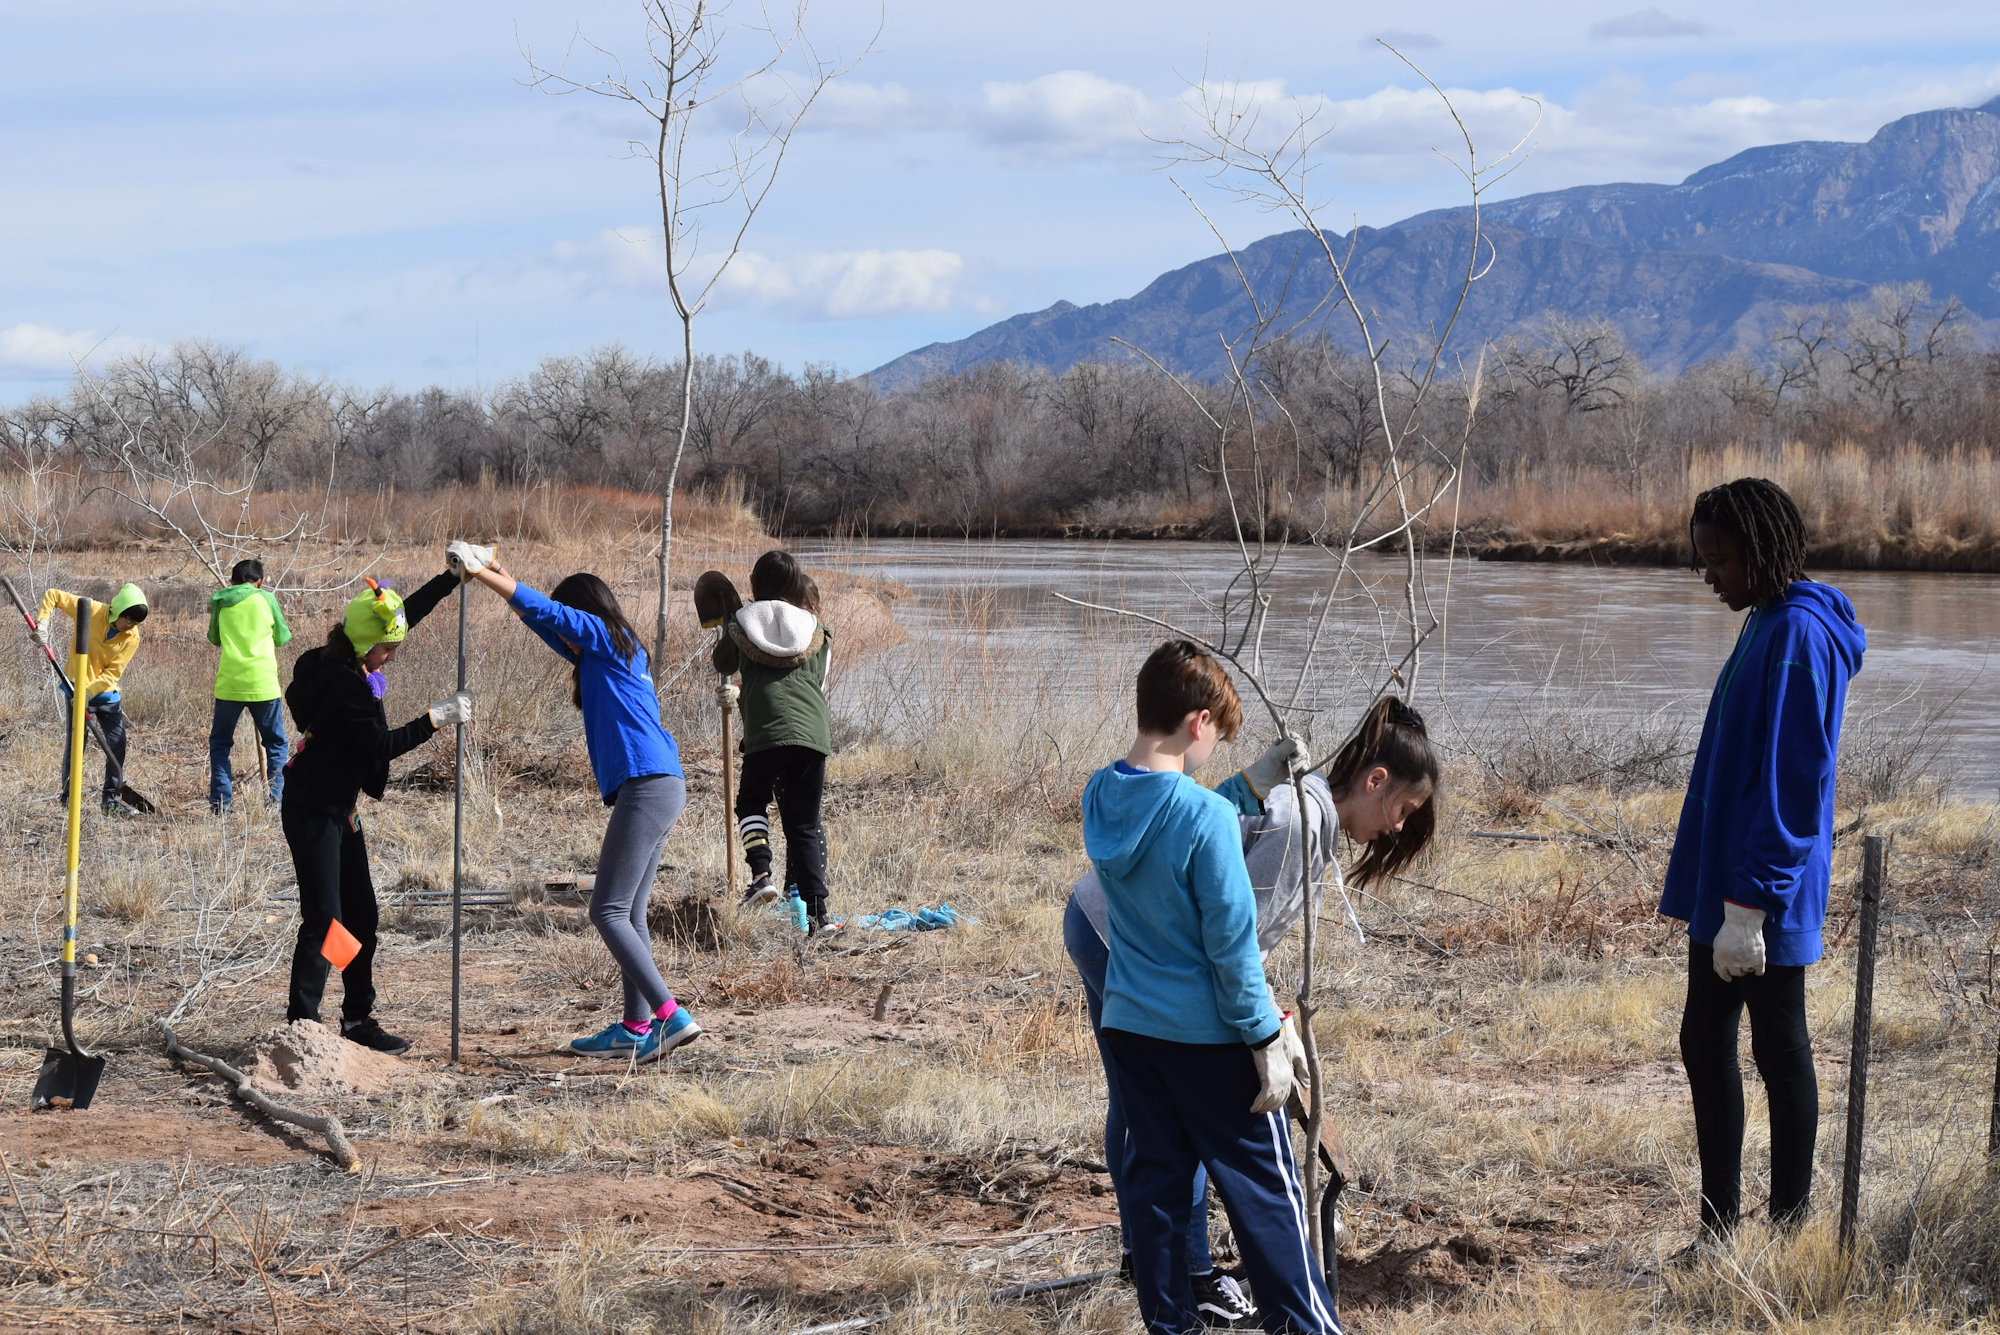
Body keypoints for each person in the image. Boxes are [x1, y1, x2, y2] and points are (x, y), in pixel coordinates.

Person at [1066, 695, 1438, 1328]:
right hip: (1122, 935)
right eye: (1403, 810)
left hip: (1126, 934)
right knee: (1166, 1121)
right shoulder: (1299, 826)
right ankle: (1197, 1276)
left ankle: (1171, 1282)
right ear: (1375, 782)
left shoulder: (1303, 807)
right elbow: (1229, 939)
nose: (1397, 828)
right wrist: (1264, 1031)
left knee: (1151, 1119)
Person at [1085, 639, 1343, 1335]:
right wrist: (1265, 1034)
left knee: (1161, 1191)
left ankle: (1173, 1328)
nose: (1215, 751)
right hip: (1211, 1041)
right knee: (1267, 1196)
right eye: (1217, 739)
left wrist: (1249, 783)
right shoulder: (1200, 818)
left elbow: (1173, 814)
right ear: (1199, 722)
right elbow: (1232, 950)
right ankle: (1312, 1328)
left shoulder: (1102, 793)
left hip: (1133, 1028)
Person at [1661, 477, 1865, 1247]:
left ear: (1761, 549)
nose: (1707, 573)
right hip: (1735, 882)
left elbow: (1794, 782)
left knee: (1774, 1044)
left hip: (1762, 887)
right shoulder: (1766, 619)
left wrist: (1751, 903)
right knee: (1712, 1041)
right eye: (1701, 558)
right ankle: (1727, 1228)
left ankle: (1782, 1228)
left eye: (1718, 558)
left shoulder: (1799, 637)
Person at [450, 543, 702, 1063]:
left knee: (605, 911)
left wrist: (481, 574)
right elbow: (541, 622)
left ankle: (670, 1016)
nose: (564, 635)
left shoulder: (606, 639)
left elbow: (548, 613)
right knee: (629, 912)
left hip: (648, 784)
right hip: (659, 783)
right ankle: (635, 1027)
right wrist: (495, 574)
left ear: (583, 612)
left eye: (570, 620)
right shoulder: (612, 647)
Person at [281, 570, 470, 1054]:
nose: (392, 655)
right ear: (365, 646)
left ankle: (357, 1019)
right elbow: (382, 745)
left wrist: (451, 580)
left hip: (342, 810)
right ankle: (300, 1027)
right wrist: (435, 719)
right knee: (325, 919)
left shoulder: (335, 659)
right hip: (312, 810)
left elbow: (402, 616)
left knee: (361, 917)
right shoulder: (347, 686)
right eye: (386, 650)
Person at [713, 549, 836, 932]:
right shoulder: (817, 629)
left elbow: (723, 664)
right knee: (803, 823)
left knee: (752, 801)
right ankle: (819, 916)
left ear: (755, 583)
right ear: (796, 585)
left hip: (766, 729)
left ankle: (761, 878)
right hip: (813, 731)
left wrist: (727, 628)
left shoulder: (741, 624)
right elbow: (818, 682)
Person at [35, 582, 148, 816]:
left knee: (117, 744)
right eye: (128, 620)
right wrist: (43, 622)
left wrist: (90, 691)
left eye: (136, 624)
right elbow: (53, 595)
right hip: (75, 690)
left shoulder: (132, 637)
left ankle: (110, 801)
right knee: (77, 745)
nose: (130, 627)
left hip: (105, 694)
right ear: (117, 611)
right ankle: (68, 797)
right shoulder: (90, 610)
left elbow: (113, 673)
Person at [207, 558, 292, 813]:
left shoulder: (221, 601)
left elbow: (214, 638)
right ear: (260, 582)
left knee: (220, 745)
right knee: (276, 744)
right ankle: (277, 801)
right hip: (263, 683)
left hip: (230, 684)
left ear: (232, 581)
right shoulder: (266, 599)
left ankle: (222, 805)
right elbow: (283, 637)